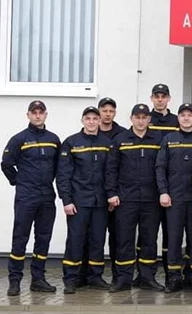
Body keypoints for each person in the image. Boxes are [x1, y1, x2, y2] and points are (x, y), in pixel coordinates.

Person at [2, 100, 61, 296]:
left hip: (47, 197)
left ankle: (38, 279)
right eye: (34, 112)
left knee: (43, 239)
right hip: (26, 197)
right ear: (28, 115)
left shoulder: (53, 139)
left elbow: (59, 167)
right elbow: (6, 164)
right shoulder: (19, 139)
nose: (37, 116)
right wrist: (19, 182)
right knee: (20, 237)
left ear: (46, 115)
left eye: (41, 112)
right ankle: (15, 281)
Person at [106, 104, 164, 292]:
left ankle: (147, 277)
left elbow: (163, 168)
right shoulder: (120, 139)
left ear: (149, 119)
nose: (141, 121)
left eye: (144, 117)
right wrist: (111, 193)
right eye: (137, 117)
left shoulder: (158, 139)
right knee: (124, 240)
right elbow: (111, 169)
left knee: (149, 240)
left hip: (151, 199)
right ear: (131, 118)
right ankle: (123, 279)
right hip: (126, 199)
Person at [57, 106, 112, 293]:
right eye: (87, 118)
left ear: (99, 121)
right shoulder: (71, 143)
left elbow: (110, 173)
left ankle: (94, 276)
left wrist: (111, 196)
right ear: (82, 121)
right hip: (78, 202)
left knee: (97, 240)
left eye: (94, 119)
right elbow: (63, 175)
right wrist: (66, 200)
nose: (91, 122)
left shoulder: (107, 143)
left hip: (100, 202)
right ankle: (72, 278)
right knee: (75, 239)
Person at [155, 103, 192, 293]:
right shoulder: (169, 139)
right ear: (178, 118)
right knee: (173, 239)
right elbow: (160, 167)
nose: (186, 118)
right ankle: (173, 278)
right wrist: (163, 192)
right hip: (174, 199)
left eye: (189, 115)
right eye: (182, 115)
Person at [148, 83, 179, 283]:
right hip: (149, 187)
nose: (160, 99)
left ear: (169, 98)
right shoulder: (145, 119)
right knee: (148, 234)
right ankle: (146, 276)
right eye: (157, 96)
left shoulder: (176, 121)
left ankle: (171, 275)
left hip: (172, 187)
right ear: (152, 98)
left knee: (171, 234)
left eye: (163, 96)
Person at [95, 97, 126, 285]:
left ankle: (117, 275)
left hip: (117, 196)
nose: (107, 114)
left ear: (115, 113)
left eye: (111, 111)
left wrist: (114, 193)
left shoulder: (122, 134)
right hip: (95, 195)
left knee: (117, 237)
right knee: (94, 237)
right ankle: (90, 275)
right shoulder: (90, 132)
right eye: (104, 110)